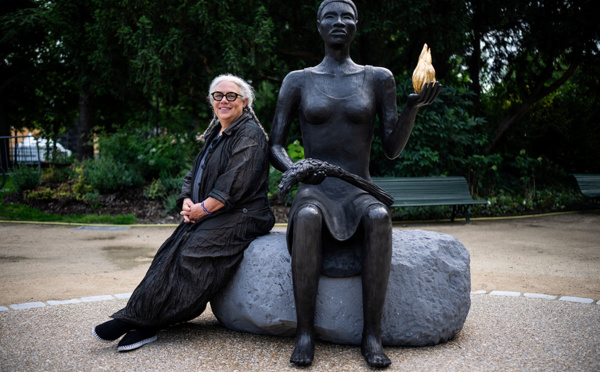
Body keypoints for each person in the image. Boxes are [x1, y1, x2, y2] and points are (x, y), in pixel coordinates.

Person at [269, 0, 441, 368]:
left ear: (356, 25)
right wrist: (296, 169)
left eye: (347, 16)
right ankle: (304, 333)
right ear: (318, 25)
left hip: (359, 188)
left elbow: (392, 148)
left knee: (379, 217)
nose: (339, 22)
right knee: (309, 217)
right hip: (315, 186)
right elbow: (275, 144)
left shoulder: (378, 78)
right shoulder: (297, 80)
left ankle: (372, 336)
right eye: (330, 15)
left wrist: (411, 108)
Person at [92, 74, 275, 352]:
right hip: (214, 211)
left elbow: (234, 183)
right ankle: (134, 316)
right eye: (218, 95)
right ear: (212, 101)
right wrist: (188, 201)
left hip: (245, 215)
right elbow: (194, 173)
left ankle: (147, 324)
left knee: (192, 257)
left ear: (244, 101)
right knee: (168, 254)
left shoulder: (249, 134)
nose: (224, 100)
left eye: (231, 96)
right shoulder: (217, 133)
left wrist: (202, 209)